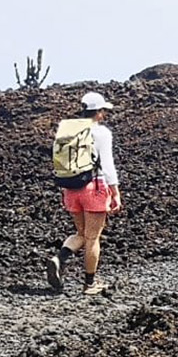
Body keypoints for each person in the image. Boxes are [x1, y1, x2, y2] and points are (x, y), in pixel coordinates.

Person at [48, 91, 121, 296]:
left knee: (81, 233)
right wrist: (115, 192)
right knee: (92, 238)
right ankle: (90, 284)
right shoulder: (101, 133)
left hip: (70, 188)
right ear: (97, 112)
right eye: (103, 111)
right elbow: (107, 165)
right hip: (94, 188)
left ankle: (60, 258)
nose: (104, 114)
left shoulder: (69, 130)